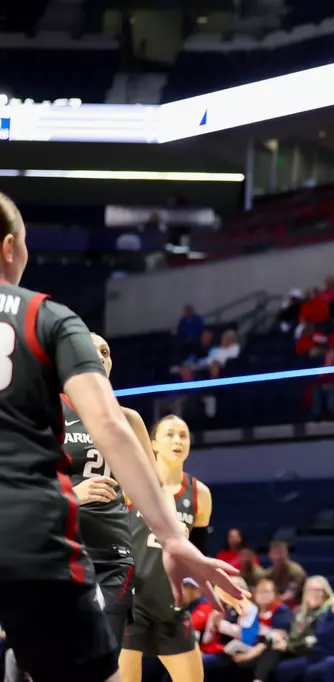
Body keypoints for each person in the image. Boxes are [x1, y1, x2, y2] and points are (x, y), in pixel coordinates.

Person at [0, 192, 242, 682]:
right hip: (32, 535)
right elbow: (108, 427)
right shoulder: (45, 316)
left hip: (104, 551)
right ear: (10, 247)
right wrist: (175, 538)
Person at [65, 333, 156, 649]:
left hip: (113, 558)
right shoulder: (44, 413)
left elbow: (153, 492)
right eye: (92, 351)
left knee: (102, 654)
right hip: (59, 552)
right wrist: (75, 495)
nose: (101, 357)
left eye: (106, 351)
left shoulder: (128, 419)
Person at [120, 414, 219, 682]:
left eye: (183, 435)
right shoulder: (131, 482)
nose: (178, 440)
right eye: (170, 434)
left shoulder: (200, 493)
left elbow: (199, 557)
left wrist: (221, 588)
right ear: (152, 443)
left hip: (171, 607)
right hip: (131, 602)